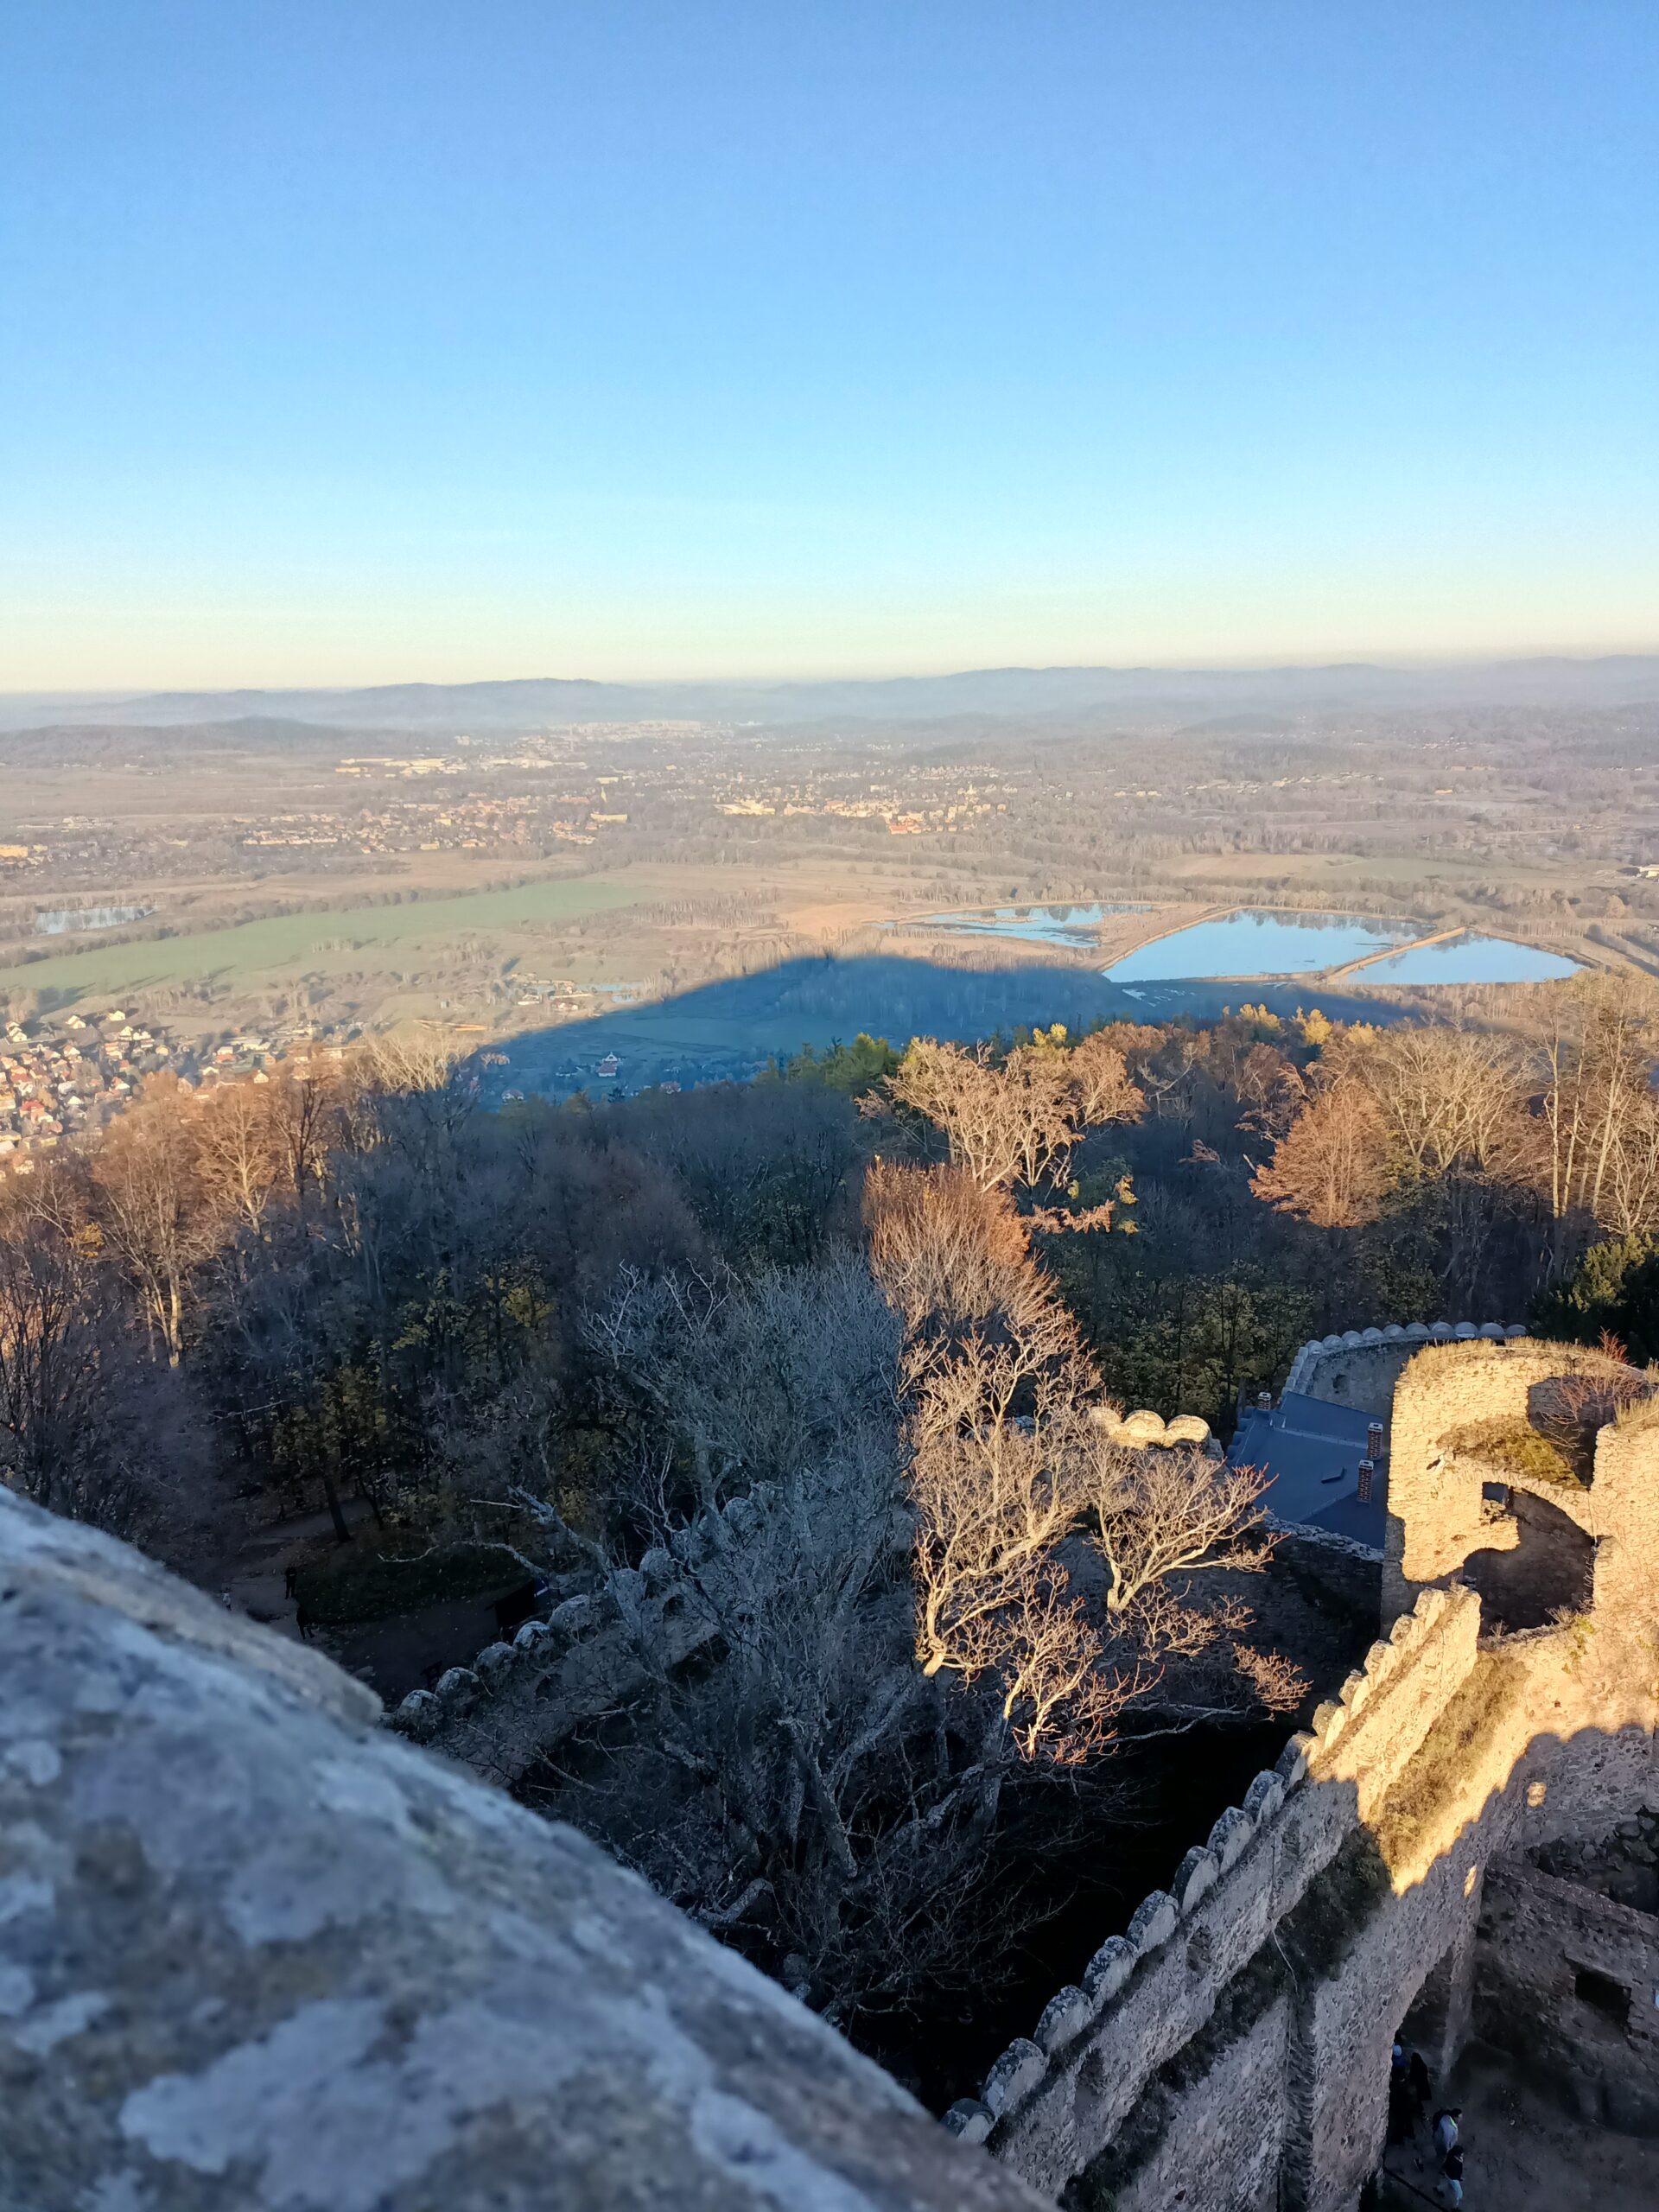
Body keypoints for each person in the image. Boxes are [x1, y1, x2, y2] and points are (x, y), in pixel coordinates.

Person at [1440, 2140, 1465, 2207]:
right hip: (1453, 2177)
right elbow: (1456, 2174)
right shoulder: (1456, 2163)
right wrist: (1459, 2178)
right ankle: (1455, 2206)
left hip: (1448, 2175)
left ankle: (1438, 2189)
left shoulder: (1451, 2156)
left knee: (1447, 2184)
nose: (1463, 2154)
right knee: (1459, 2194)